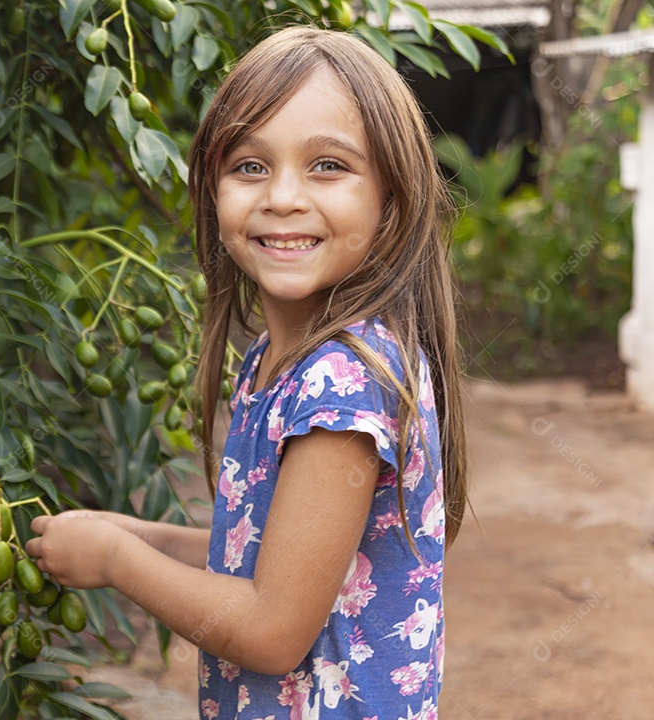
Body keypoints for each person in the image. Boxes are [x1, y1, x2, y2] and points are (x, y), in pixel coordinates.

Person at [25, 25, 468, 720]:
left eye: (328, 165)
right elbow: (265, 553)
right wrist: (134, 535)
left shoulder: (343, 386)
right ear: (213, 188)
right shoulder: (276, 360)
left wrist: (115, 560)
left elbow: (271, 631)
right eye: (251, 166)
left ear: (391, 201)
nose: (282, 196)